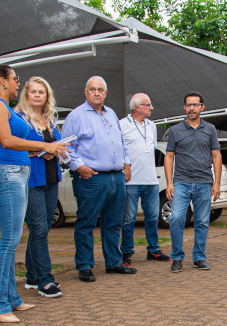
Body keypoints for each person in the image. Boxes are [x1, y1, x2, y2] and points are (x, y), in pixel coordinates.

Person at [0, 65, 68, 322]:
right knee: (9, 241)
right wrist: (43, 144)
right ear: (2, 81)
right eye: (15, 78)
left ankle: (12, 298)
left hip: (17, 172)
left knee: (14, 239)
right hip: (6, 173)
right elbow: (6, 140)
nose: (18, 83)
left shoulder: (3, 106)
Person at [61, 76, 135, 282]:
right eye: (92, 89)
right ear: (86, 92)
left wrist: (126, 163)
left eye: (100, 90)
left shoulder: (111, 114)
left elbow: (121, 142)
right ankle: (84, 265)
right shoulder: (75, 116)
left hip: (116, 178)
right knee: (86, 223)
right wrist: (79, 167)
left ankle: (113, 262)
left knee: (113, 223)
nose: (96, 93)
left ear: (106, 92)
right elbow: (65, 148)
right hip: (91, 179)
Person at [16, 77, 63, 298]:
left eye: (41, 92)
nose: (37, 95)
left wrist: (58, 149)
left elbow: (59, 144)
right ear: (26, 94)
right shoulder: (18, 119)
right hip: (31, 179)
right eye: (33, 91)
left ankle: (32, 276)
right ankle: (46, 280)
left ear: (47, 96)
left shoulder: (50, 120)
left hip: (51, 178)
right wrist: (39, 152)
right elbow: (12, 146)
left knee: (42, 228)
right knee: (38, 229)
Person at [165, 92, 222, 273]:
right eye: (189, 105)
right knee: (176, 218)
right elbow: (169, 156)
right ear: (184, 108)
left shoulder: (210, 129)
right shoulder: (175, 130)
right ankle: (177, 257)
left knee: (202, 221)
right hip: (181, 181)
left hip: (204, 182)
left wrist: (217, 183)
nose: (192, 108)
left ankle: (199, 257)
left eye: (195, 105)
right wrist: (169, 182)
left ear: (201, 107)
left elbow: (216, 155)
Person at [119, 93, 171, 266]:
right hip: (131, 181)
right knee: (128, 219)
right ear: (137, 107)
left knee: (151, 217)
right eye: (148, 105)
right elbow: (118, 150)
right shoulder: (122, 125)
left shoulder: (152, 125)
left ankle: (153, 250)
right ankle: (126, 251)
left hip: (151, 180)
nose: (151, 108)